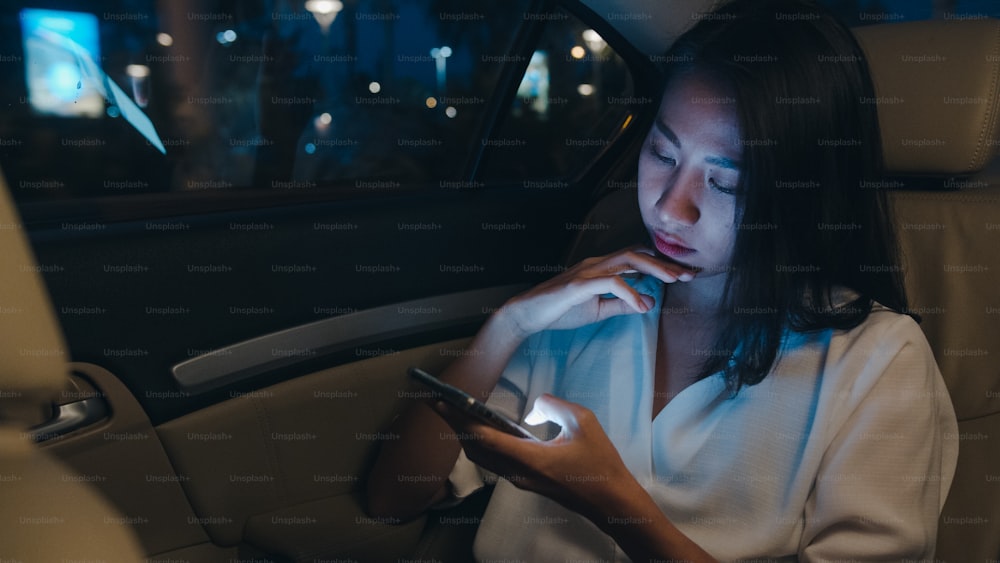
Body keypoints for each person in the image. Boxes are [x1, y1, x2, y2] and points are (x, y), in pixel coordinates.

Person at [367, 0, 959, 561]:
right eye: (662, 153)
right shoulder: (590, 305)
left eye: (727, 183)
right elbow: (393, 498)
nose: (673, 209)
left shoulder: (879, 361)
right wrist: (510, 324)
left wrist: (612, 501)